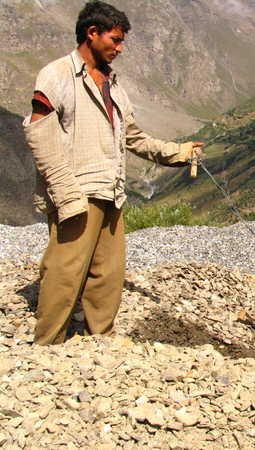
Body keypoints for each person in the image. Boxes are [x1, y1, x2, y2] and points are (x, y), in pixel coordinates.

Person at [22, 0, 203, 345]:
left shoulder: (112, 84)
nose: (119, 49)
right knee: (65, 271)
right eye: (115, 40)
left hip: (111, 190)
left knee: (109, 271)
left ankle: (100, 339)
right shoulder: (57, 75)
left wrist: (179, 153)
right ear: (92, 33)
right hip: (75, 191)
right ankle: (48, 343)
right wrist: (66, 197)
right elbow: (40, 137)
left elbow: (134, 137)